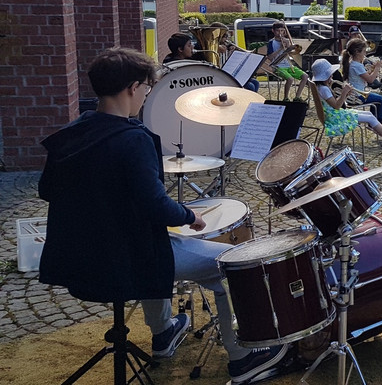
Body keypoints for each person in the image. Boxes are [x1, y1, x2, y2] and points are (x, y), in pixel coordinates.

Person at [38, 48, 291, 384]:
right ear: (132, 88)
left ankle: (164, 333)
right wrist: (190, 216)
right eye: (146, 87)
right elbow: (156, 206)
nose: (146, 94)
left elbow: (46, 190)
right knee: (233, 262)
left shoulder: (72, 133)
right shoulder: (132, 139)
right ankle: (243, 356)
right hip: (126, 258)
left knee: (156, 237)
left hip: (79, 258)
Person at [310, 58, 382, 145]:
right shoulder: (324, 89)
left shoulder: (321, 87)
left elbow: (334, 103)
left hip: (334, 115)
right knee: (371, 118)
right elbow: (336, 106)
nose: (332, 76)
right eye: (329, 75)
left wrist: (346, 94)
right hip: (335, 118)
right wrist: (344, 93)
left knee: (370, 115)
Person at [343, 38, 382, 124]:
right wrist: (377, 68)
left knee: (377, 99)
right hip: (358, 96)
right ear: (357, 52)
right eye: (364, 52)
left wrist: (372, 70)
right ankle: (377, 123)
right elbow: (370, 80)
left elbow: (362, 77)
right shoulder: (357, 65)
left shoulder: (353, 63)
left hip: (356, 93)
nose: (365, 54)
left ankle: (374, 122)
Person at [266, 21, 309, 101]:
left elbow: (290, 55)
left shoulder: (286, 41)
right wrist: (281, 48)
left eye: (282, 31)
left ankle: (297, 97)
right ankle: (286, 98)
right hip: (277, 66)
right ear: (273, 31)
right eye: (278, 31)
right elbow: (270, 57)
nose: (280, 33)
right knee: (290, 79)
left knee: (305, 76)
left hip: (288, 65)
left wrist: (289, 47)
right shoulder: (271, 42)